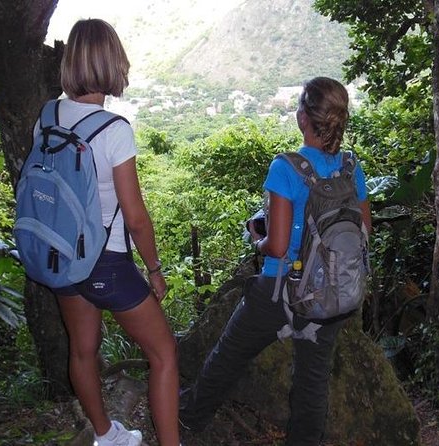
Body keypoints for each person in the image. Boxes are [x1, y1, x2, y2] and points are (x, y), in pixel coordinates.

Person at [179, 76, 372, 445]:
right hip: (332, 291)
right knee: (312, 381)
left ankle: (190, 417)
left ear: (303, 118)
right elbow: (365, 231)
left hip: (279, 290)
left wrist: (258, 237)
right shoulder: (351, 168)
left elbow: (279, 245)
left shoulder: (286, 167)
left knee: (229, 353)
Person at [46, 19, 179, 446]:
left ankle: (107, 436)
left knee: (82, 349)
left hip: (62, 254)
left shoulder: (47, 116)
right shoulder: (114, 130)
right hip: (106, 261)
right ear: (111, 63)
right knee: (163, 354)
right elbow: (136, 217)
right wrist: (155, 270)